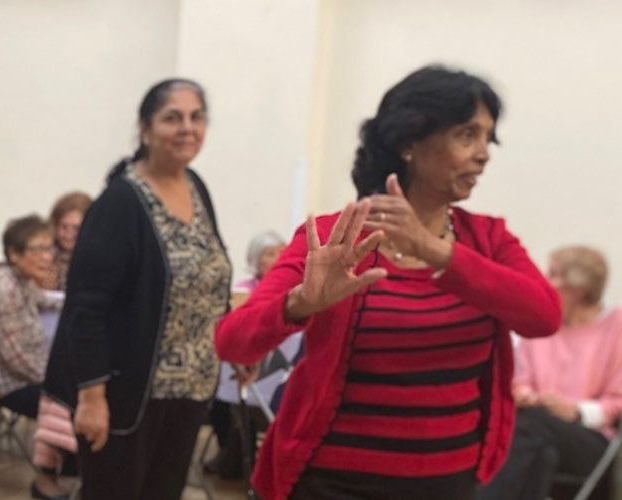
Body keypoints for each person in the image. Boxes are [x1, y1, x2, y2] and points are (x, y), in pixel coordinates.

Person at [214, 65, 562, 500]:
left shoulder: (488, 240)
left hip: (450, 483)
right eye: (466, 135)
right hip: (332, 482)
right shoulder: (335, 237)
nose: (483, 154)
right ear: (409, 142)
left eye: (487, 138)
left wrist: (436, 252)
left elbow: (544, 317)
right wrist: (299, 303)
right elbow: (233, 343)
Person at [41, 78, 232, 500]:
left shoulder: (196, 187)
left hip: (191, 389)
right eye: (172, 118)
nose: (187, 128)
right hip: (127, 396)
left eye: (196, 117)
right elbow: (85, 310)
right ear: (145, 129)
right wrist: (92, 397)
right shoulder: (120, 203)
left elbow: (210, 280)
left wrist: (235, 344)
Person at [480, 246, 621, 500]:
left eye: (554, 274)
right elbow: (520, 379)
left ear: (578, 289)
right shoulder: (541, 324)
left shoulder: (616, 327)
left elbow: (617, 401)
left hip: (591, 439)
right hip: (536, 428)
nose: (545, 281)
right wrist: (525, 394)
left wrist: (575, 411)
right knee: (542, 455)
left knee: (530, 426)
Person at [0, 214, 69, 499]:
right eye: (39, 249)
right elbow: (18, 362)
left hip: (25, 375)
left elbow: (44, 300)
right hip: (9, 384)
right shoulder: (4, 292)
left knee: (77, 391)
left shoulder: (23, 281)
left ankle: (70, 470)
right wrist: (60, 380)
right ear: (14, 254)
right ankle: (47, 478)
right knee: (67, 399)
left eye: (49, 248)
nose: (48, 256)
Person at [206, 230, 289, 479]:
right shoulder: (242, 293)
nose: (277, 258)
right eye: (269, 254)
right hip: (246, 369)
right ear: (256, 259)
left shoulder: (295, 291)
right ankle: (236, 455)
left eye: (281, 252)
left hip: (281, 373)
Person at [48, 192, 93, 290]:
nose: (68, 234)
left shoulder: (97, 260)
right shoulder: (44, 257)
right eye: (64, 226)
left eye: (76, 228)